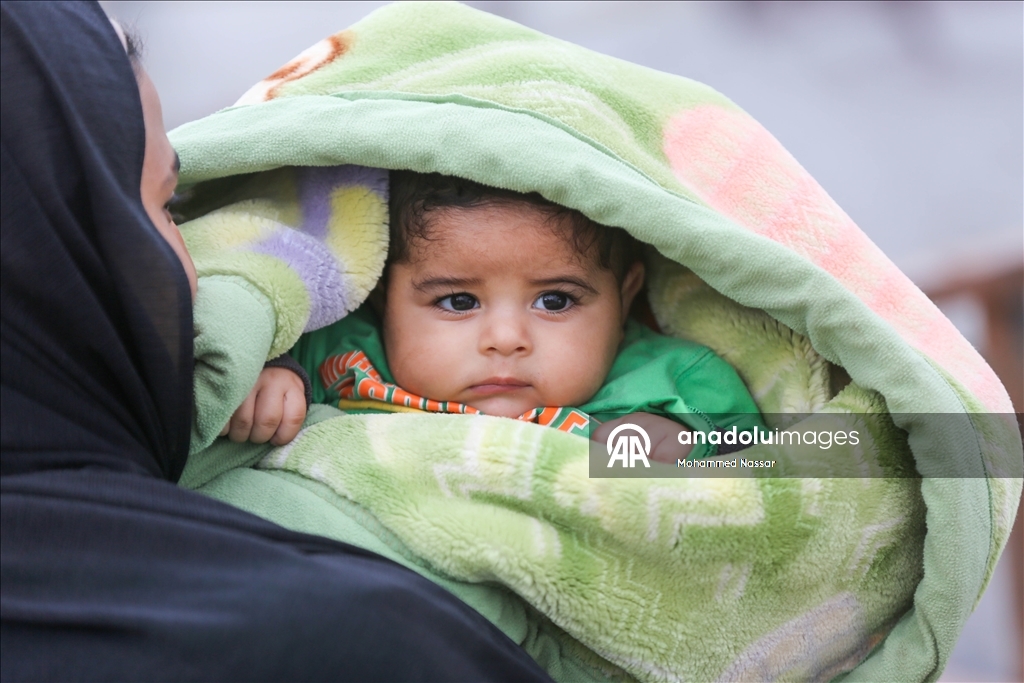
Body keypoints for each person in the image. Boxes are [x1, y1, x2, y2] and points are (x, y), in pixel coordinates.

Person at [0, 2, 552, 680]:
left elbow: (703, 459)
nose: (506, 337)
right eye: (162, 206)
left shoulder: (666, 393)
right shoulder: (345, 639)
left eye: (556, 299)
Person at [290, 172, 765, 462]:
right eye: (458, 301)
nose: (505, 339)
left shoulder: (671, 381)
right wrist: (275, 381)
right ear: (382, 297)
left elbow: (786, 470)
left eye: (554, 301)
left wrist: (687, 447)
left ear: (624, 298)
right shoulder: (338, 350)